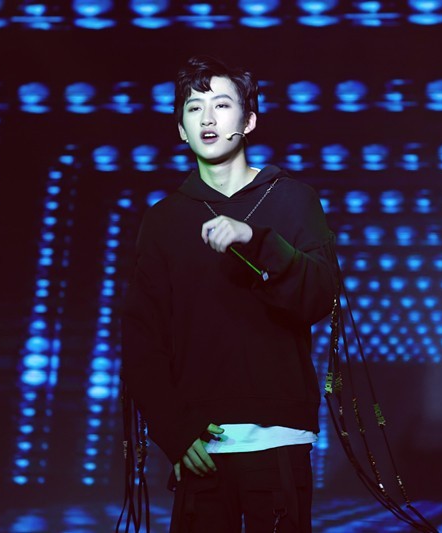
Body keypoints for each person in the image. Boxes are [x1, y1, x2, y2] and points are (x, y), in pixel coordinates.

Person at [121, 55, 338, 533]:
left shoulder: (294, 199)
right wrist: (174, 431)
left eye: (221, 104)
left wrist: (255, 240)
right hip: (200, 446)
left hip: (278, 440)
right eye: (194, 108)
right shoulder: (163, 220)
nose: (208, 118)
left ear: (249, 120)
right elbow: (142, 339)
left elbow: (320, 296)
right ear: (180, 129)